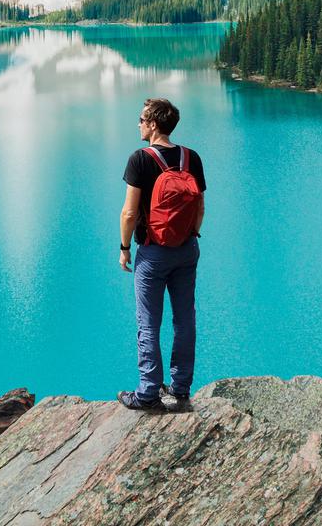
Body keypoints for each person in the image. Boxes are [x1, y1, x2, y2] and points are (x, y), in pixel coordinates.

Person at [117, 97, 206, 412]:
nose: (139, 124)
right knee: (185, 319)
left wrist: (125, 248)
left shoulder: (140, 160)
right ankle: (181, 387)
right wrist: (190, 237)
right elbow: (199, 208)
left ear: (153, 124)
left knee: (148, 321)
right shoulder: (190, 158)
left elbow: (129, 213)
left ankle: (148, 393)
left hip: (153, 253)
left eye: (141, 119)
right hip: (186, 250)